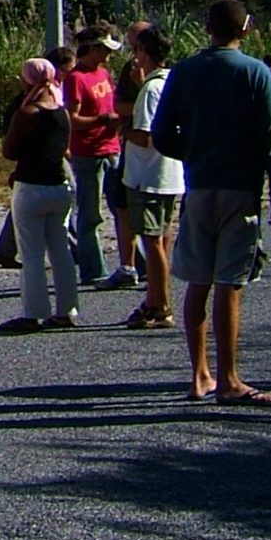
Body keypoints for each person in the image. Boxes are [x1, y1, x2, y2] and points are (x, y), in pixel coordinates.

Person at [151, 0, 271, 405]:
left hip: (199, 183)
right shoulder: (256, 73)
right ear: (244, 30)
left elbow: (161, 132)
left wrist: (190, 151)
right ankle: (229, 378)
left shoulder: (185, 71)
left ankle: (199, 374)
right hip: (240, 186)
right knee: (231, 281)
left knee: (198, 280)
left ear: (206, 27)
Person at [0, 59, 81, 332]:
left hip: (30, 185)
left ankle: (33, 312)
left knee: (31, 253)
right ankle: (67, 309)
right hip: (59, 184)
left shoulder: (27, 113)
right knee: (61, 251)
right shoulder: (63, 112)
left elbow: (10, 151)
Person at [118, 25, 183, 330]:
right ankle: (154, 297)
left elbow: (144, 135)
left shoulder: (151, 89)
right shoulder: (172, 80)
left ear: (144, 52)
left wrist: (124, 130)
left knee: (152, 240)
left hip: (148, 174)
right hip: (171, 172)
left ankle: (161, 304)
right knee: (162, 238)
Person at [65, 26, 124, 288]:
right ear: (93, 48)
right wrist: (100, 120)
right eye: (104, 49)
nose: (108, 55)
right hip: (88, 153)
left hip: (112, 147)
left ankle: (134, 265)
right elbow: (72, 120)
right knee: (90, 215)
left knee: (123, 209)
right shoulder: (76, 78)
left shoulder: (103, 73)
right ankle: (93, 269)